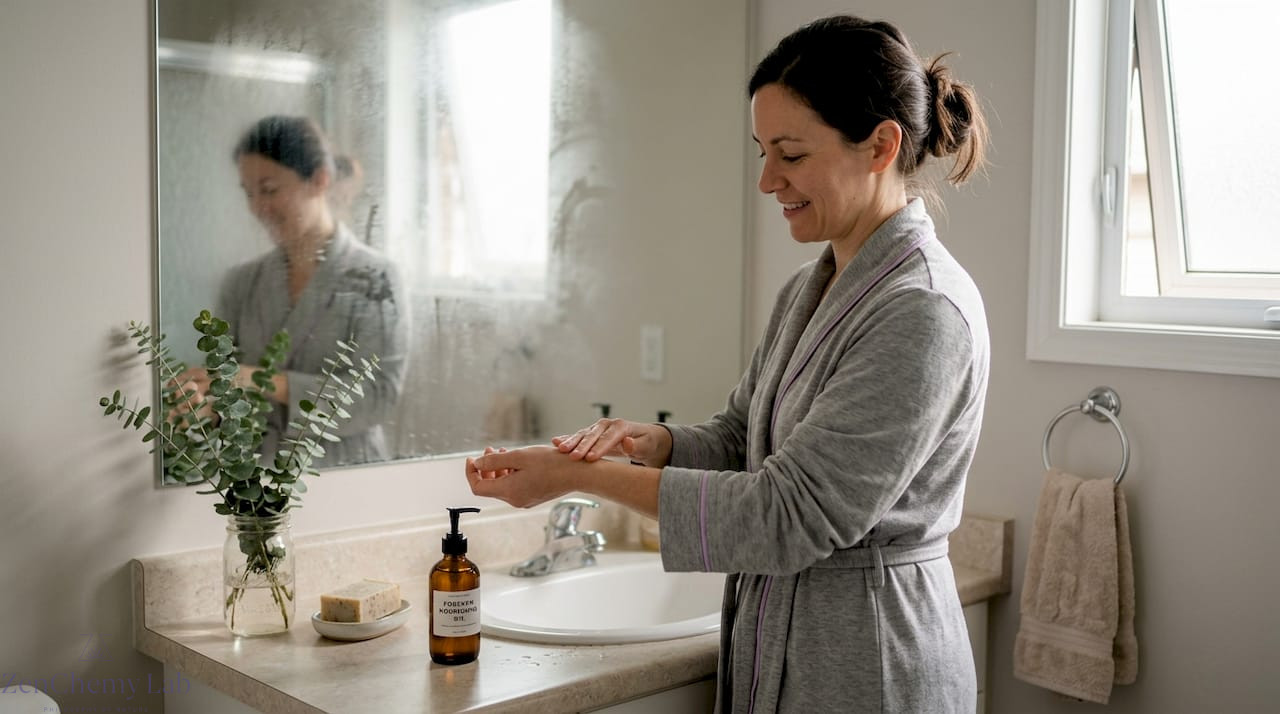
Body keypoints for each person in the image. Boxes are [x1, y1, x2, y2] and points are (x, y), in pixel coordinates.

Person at [467, 14, 990, 713]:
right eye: (761, 151)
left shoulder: (922, 311)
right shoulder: (811, 287)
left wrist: (576, 478)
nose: (768, 179)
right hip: (784, 639)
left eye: (791, 154)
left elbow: (789, 512)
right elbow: (749, 438)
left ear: (880, 145)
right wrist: (658, 445)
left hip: (870, 664)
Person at [176, 116, 409, 467]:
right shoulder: (241, 283)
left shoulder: (377, 278)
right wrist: (201, 407)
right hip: (258, 485)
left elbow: (377, 397)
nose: (257, 207)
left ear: (319, 180)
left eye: (269, 190)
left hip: (348, 478)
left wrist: (258, 378)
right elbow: (226, 399)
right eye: (248, 193)